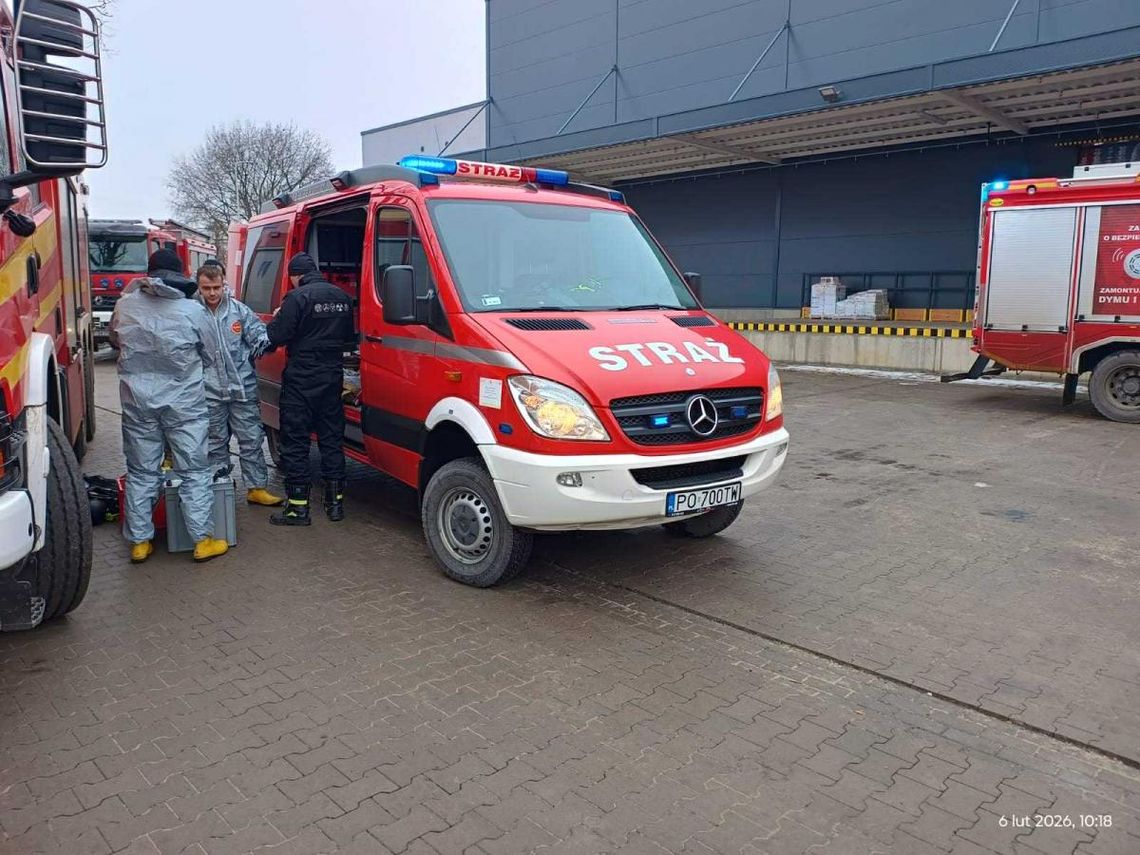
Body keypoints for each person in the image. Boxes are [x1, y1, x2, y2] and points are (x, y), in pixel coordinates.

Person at [110, 249, 229, 563]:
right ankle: (202, 540)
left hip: (137, 402)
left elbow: (114, 341)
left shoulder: (124, 305)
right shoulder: (193, 311)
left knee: (141, 471)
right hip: (184, 404)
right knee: (194, 470)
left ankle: (139, 542)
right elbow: (210, 353)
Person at [265, 252, 355, 525]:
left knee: (295, 442)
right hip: (331, 377)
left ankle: (298, 509)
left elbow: (275, 337)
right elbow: (349, 338)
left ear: (295, 276)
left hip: (301, 379)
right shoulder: (341, 298)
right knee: (331, 441)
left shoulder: (296, 298)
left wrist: (280, 317)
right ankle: (335, 506)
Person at [194, 261, 283, 508]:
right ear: (198, 287)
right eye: (206, 288)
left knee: (252, 439)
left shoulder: (239, 312)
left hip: (242, 390)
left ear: (224, 284)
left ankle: (256, 488)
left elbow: (259, 338)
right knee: (214, 442)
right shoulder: (190, 314)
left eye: (216, 287)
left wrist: (274, 329)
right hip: (208, 393)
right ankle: (218, 485)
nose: (212, 293)